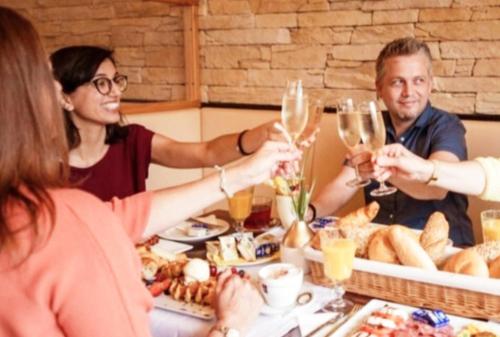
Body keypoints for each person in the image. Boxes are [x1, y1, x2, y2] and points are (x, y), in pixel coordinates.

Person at [0, 6, 300, 336]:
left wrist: (247, 167)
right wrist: (230, 327)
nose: (115, 91)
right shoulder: (65, 216)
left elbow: (116, 217)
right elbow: (93, 225)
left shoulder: (121, 154)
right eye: (46, 80)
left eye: (116, 81)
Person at [51, 45, 290, 201]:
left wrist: (259, 135)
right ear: (65, 97)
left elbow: (205, 153)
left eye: (116, 80)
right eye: (101, 83)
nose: (115, 92)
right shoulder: (42, 166)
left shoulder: (132, 140)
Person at [311, 37, 474, 246]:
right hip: (383, 250)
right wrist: (308, 213)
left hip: (444, 253)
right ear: (379, 88)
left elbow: (437, 187)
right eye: (398, 82)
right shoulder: (372, 128)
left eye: (418, 80)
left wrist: (383, 170)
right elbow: (345, 182)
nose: (408, 92)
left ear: (430, 84)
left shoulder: (447, 126)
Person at [373, 143, 500, 202]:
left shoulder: (447, 124)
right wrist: (423, 169)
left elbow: (438, 191)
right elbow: (493, 175)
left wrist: (422, 170)